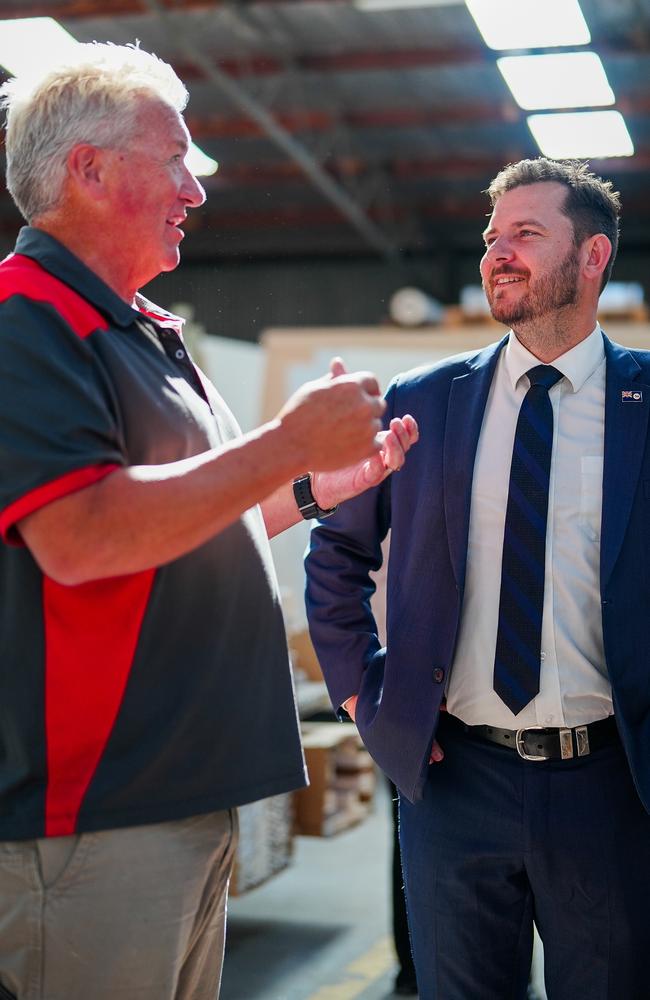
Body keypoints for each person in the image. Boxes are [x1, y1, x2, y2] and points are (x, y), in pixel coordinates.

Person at [0, 43, 419, 1000]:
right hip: (95, 819)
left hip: (175, 802)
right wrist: (284, 442)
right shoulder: (25, 321)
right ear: (90, 168)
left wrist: (315, 485)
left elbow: (183, 525)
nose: (196, 188)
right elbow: (81, 537)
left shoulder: (138, 330)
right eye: (176, 158)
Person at [306, 157, 650, 999]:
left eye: (527, 234)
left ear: (594, 255)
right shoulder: (424, 402)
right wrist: (366, 699)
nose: (499, 252)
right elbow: (337, 557)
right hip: (456, 784)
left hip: (611, 785)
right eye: (494, 237)